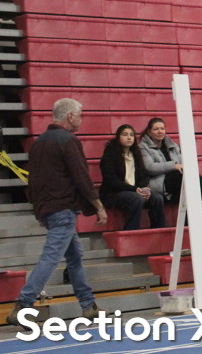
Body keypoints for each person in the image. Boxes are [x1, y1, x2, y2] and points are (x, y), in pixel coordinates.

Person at [8, 99, 107, 325]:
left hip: (49, 208)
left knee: (74, 256)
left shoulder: (39, 142)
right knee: (51, 257)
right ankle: (23, 305)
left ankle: (88, 305)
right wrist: (98, 206)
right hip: (63, 208)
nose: (81, 119)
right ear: (70, 116)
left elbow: (33, 180)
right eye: (80, 114)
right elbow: (81, 176)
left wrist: (40, 210)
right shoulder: (69, 141)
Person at [139, 117, 202, 208]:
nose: (160, 131)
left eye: (162, 128)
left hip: (175, 181)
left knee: (189, 176)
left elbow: (182, 163)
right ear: (149, 132)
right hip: (156, 182)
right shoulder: (143, 147)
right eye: (156, 129)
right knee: (184, 177)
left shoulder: (171, 145)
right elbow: (150, 167)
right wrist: (173, 165)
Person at [99, 124, 165, 231]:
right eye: (125, 135)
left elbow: (144, 175)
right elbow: (111, 181)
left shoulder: (135, 153)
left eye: (131, 135)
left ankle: (159, 231)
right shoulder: (110, 153)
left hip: (134, 191)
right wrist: (135, 190)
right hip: (114, 193)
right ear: (118, 137)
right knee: (136, 199)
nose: (129, 137)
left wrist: (142, 189)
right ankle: (131, 231)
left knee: (157, 198)